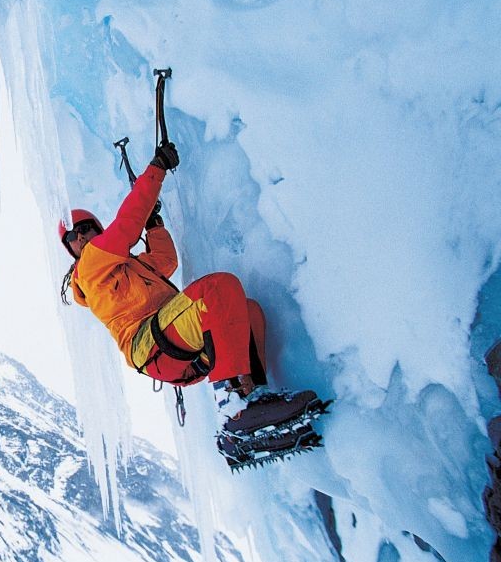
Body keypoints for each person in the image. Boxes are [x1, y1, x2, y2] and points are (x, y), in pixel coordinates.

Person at [60, 141, 326, 466]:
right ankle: (234, 409)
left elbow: (165, 261)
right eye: (73, 235)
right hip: (152, 344)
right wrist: (155, 171)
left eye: (87, 228)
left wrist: (154, 225)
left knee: (248, 310)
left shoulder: (131, 269)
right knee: (217, 289)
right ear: (72, 250)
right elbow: (126, 226)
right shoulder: (89, 266)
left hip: (173, 350)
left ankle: (252, 402)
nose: (82, 235)